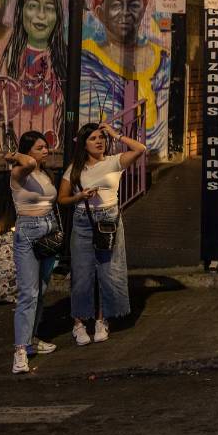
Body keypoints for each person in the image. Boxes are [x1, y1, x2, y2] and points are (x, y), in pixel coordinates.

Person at [58, 122, 148, 345]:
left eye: (101, 137)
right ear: (83, 144)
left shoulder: (114, 161)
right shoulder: (75, 169)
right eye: (93, 139)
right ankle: (79, 322)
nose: (99, 141)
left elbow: (140, 149)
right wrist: (80, 197)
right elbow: (62, 199)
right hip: (83, 221)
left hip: (109, 221)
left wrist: (116, 134)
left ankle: (102, 319)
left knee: (108, 272)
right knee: (81, 274)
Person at [80, 0, 171, 155]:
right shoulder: (88, 58)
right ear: (99, 13)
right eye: (115, 6)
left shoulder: (162, 58)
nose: (125, 12)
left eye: (134, 6)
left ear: (143, 11)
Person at [6, 130, 61, 374]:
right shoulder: (20, 172)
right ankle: (20, 350)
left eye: (46, 147)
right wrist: (16, 155)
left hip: (48, 232)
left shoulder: (44, 174)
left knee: (42, 290)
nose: (46, 151)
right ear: (28, 151)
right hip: (28, 234)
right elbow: (27, 162)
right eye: (40, 147)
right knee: (29, 292)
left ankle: (31, 339)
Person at [0, 0, 67, 147]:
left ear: (58, 16)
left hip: (51, 148)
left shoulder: (63, 58)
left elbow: (70, 111)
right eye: (33, 6)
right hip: (18, 149)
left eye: (49, 8)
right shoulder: (10, 55)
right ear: (21, 11)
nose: (41, 15)